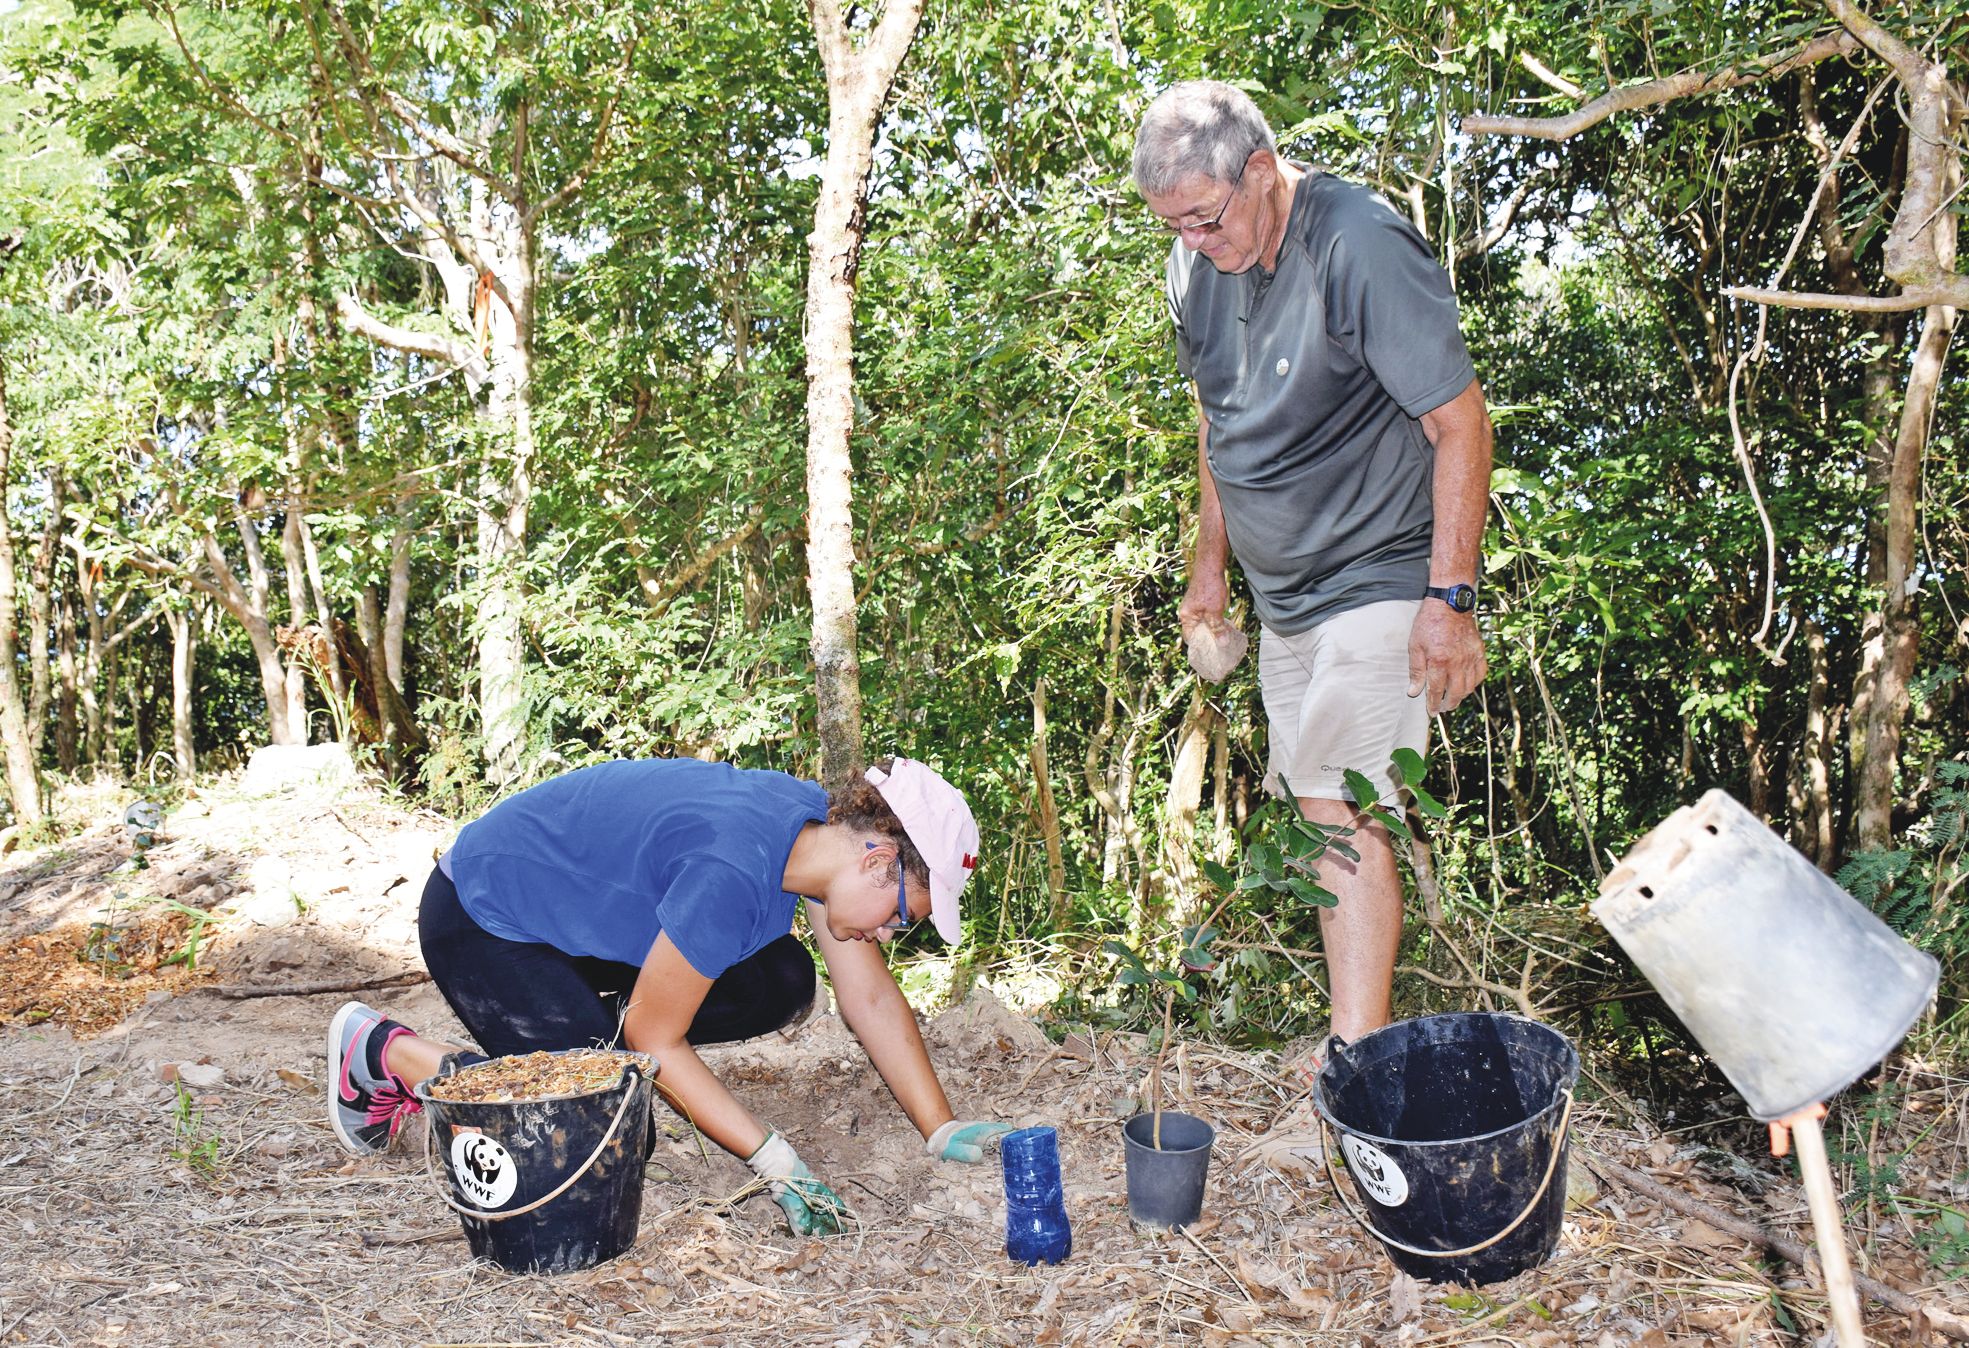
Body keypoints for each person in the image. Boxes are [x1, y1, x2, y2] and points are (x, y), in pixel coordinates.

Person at [1133, 82, 1493, 1050]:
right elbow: (1217, 423)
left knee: (1338, 802)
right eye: (1172, 226)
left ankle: (1355, 1064)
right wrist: (1207, 571)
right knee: (1313, 808)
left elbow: (1458, 422)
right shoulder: (1193, 263)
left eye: (1205, 218)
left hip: (1378, 576)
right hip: (1280, 599)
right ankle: (1355, 1049)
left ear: (1260, 171)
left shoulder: (1356, 244)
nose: (1194, 243)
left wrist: (1448, 602)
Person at [325, 755, 1011, 1236]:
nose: (890, 934)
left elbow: (872, 1001)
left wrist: (939, 1126)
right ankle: (382, 1050)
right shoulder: (732, 870)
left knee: (782, 981)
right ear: (878, 859)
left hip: (579, 924)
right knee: (602, 1118)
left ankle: (590, 1031)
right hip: (481, 918)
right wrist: (776, 1162)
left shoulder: (813, 838)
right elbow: (655, 1041)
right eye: (900, 916)